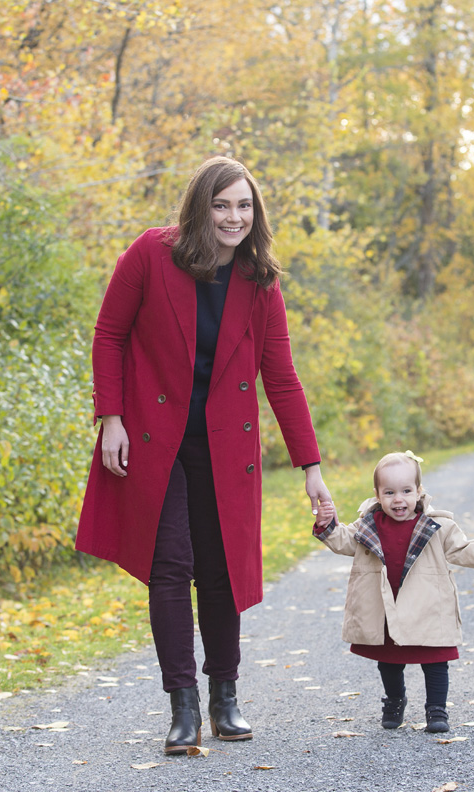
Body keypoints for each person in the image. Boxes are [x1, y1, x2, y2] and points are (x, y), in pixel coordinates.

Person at [75, 156, 332, 755]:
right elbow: (109, 335)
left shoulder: (260, 282)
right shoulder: (150, 254)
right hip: (154, 440)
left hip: (224, 447)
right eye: (221, 205)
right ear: (200, 207)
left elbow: (281, 378)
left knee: (220, 571)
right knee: (169, 566)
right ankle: (182, 707)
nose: (233, 217)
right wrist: (111, 418)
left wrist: (311, 467)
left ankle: (225, 698)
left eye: (243, 206)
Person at [313, 452, 474, 734]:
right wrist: (327, 525)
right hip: (386, 607)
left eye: (406, 491)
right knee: (389, 662)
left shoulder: (437, 526)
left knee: (436, 660)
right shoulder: (369, 524)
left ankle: (437, 709)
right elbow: (344, 540)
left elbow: (462, 548)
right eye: (389, 492)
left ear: (419, 491)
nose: (398, 499)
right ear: (377, 495)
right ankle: (395, 699)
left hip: (428, 605)